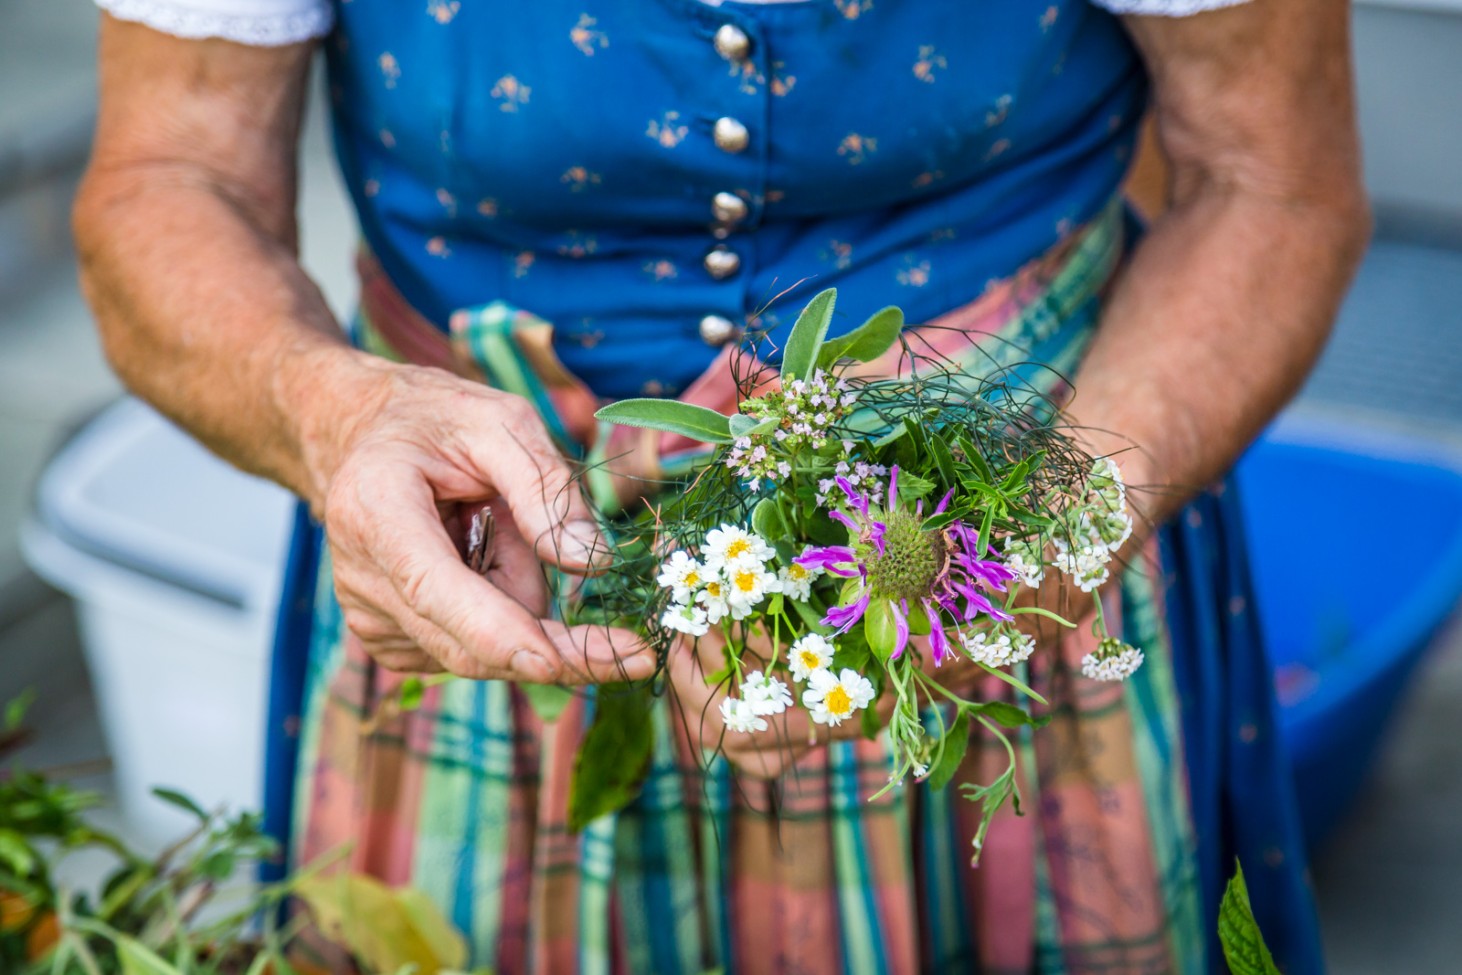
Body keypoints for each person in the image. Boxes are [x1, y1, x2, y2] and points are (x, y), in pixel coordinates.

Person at [73, 0, 1367, 970]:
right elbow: (169, 176)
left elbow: (1267, 179)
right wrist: (326, 414)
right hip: (491, 574)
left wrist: (1031, 529)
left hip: (999, 532)